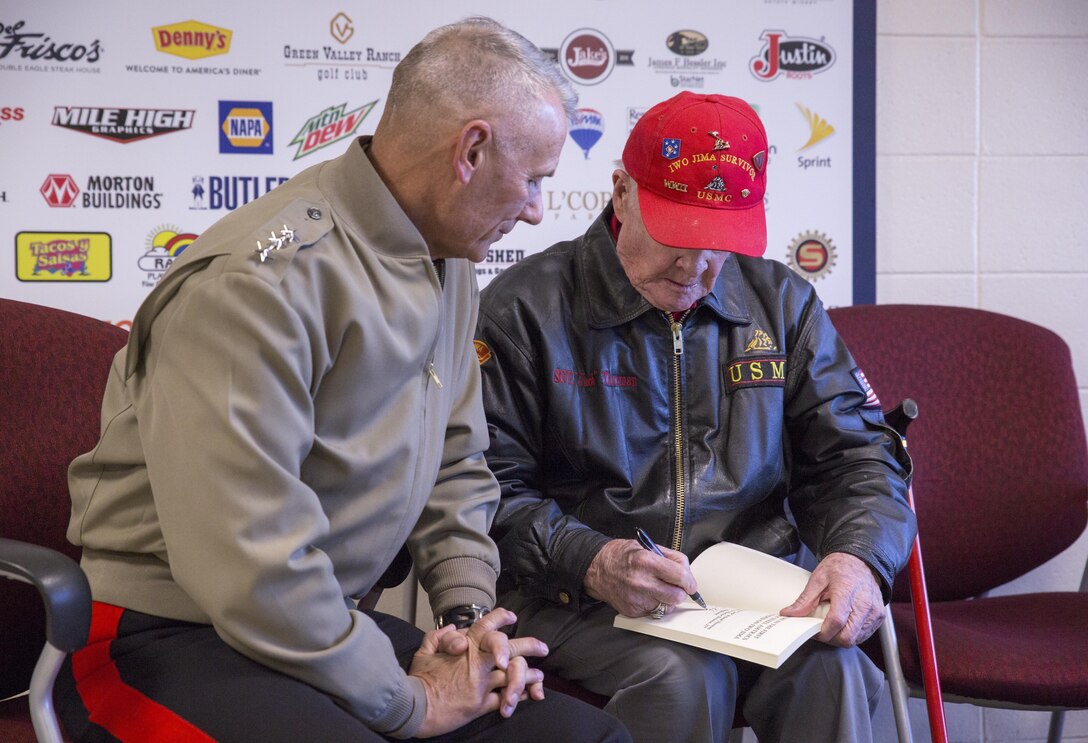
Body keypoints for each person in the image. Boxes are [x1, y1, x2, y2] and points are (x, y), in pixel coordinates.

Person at [58, 17, 631, 743]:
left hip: (317, 624)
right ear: (472, 149)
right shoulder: (256, 286)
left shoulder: (446, 256)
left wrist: (465, 623)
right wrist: (410, 700)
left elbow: (457, 458)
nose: (536, 210)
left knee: (589, 738)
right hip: (165, 634)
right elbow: (250, 559)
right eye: (535, 180)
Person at [474, 91, 918, 743]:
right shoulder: (523, 311)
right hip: (572, 592)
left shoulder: (783, 304)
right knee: (683, 674)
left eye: (721, 243)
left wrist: (858, 557)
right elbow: (485, 489)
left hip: (749, 597)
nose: (695, 266)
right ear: (621, 192)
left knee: (832, 665)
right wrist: (591, 559)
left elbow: (856, 456)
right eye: (677, 236)